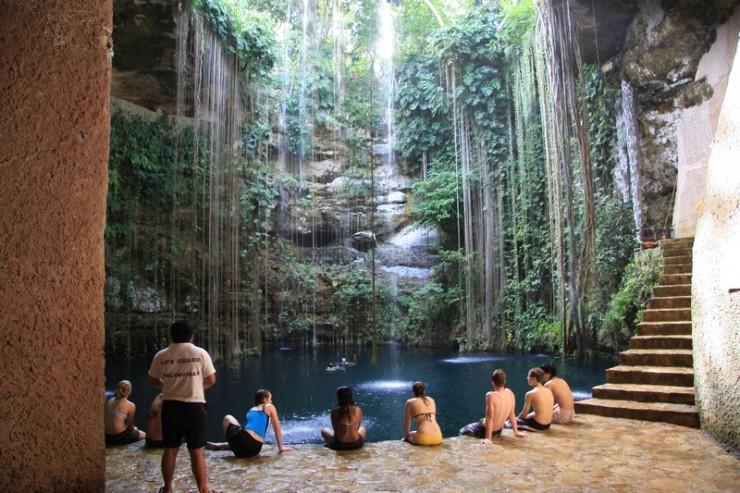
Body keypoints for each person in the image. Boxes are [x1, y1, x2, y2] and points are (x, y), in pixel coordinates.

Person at [147, 320, 218, 493]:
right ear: (191, 336)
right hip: (195, 406)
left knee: (170, 449)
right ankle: (203, 489)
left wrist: (166, 386)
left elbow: (152, 379)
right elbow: (211, 380)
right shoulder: (200, 353)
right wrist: (195, 386)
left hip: (171, 407)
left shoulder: (161, 355)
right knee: (196, 450)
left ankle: (168, 489)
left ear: (171, 336)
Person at [205, 389, 293, 457]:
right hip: (254, 449)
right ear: (264, 399)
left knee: (228, 417)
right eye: (270, 399)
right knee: (244, 435)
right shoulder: (269, 406)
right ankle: (219, 445)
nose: (271, 401)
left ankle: (218, 445)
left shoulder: (251, 411)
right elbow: (277, 429)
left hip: (239, 449)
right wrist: (281, 448)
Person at [459, 369, 525, 442]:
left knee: (463, 430)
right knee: (482, 421)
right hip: (498, 431)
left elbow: (490, 418)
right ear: (505, 381)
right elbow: (512, 414)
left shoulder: (490, 395)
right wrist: (516, 432)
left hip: (484, 430)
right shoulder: (510, 393)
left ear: (493, 382)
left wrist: (488, 438)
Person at [104, 380, 146, 445]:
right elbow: (130, 427)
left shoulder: (109, 401)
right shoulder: (131, 405)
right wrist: (135, 428)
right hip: (119, 437)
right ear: (129, 392)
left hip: (107, 436)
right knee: (144, 435)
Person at [514, 367, 554, 431]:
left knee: (510, 422)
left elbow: (524, 414)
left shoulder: (530, 394)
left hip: (538, 425)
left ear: (534, 379)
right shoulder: (548, 390)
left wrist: (516, 419)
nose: (527, 378)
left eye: (528, 376)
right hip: (548, 425)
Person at [403, 381, 442, 446]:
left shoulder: (410, 402)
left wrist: (406, 437)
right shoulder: (431, 400)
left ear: (413, 392)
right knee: (414, 433)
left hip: (424, 438)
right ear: (424, 391)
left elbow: (407, 421)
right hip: (438, 437)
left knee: (411, 434)